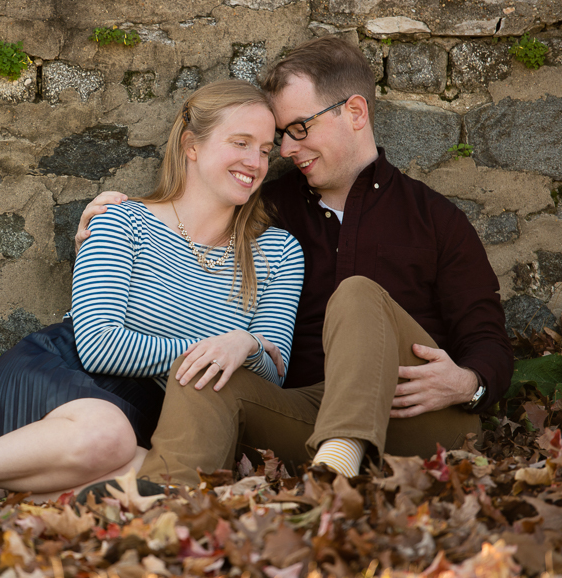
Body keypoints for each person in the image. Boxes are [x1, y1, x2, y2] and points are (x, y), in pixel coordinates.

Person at [76, 36, 513, 484]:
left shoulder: (435, 219)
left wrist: (467, 383)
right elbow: (186, 237)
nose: (284, 150)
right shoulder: (265, 211)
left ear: (356, 113)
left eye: (299, 128)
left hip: (414, 420)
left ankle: (340, 457)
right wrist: (101, 239)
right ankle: (161, 501)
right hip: (302, 422)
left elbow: (489, 341)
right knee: (206, 371)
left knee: (358, 293)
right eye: (279, 137)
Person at [0, 80, 304, 499]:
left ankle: (14, 488)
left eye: (264, 149)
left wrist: (246, 346)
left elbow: (272, 376)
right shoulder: (123, 221)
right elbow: (98, 345)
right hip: (64, 379)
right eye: (240, 143)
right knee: (109, 438)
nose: (255, 162)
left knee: (168, 487)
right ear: (191, 145)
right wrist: (223, 348)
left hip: (156, 420)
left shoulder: (278, 252)